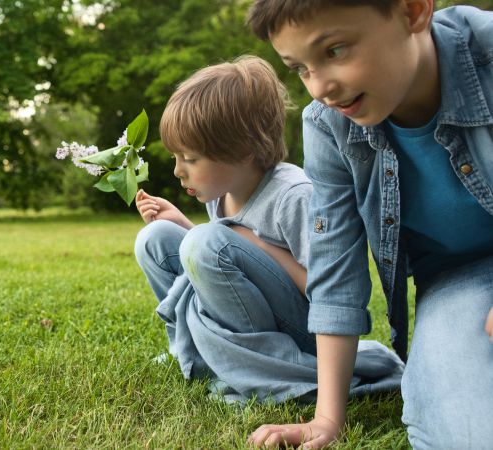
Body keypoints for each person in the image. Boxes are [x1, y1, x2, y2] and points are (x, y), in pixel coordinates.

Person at [245, 1, 493, 448]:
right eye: (300, 68)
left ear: (413, 11)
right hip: (457, 281)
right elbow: (334, 265)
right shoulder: (328, 126)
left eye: (336, 50)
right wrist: (326, 418)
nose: (320, 86)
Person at [133, 56, 403, 404]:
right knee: (155, 239)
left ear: (243, 151)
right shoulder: (222, 193)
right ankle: (195, 355)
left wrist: (252, 243)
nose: (178, 172)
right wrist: (183, 226)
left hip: (301, 331)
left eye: (191, 159)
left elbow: (328, 289)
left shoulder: (292, 196)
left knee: (205, 240)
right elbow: (225, 258)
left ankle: (258, 375)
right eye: (176, 158)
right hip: (251, 314)